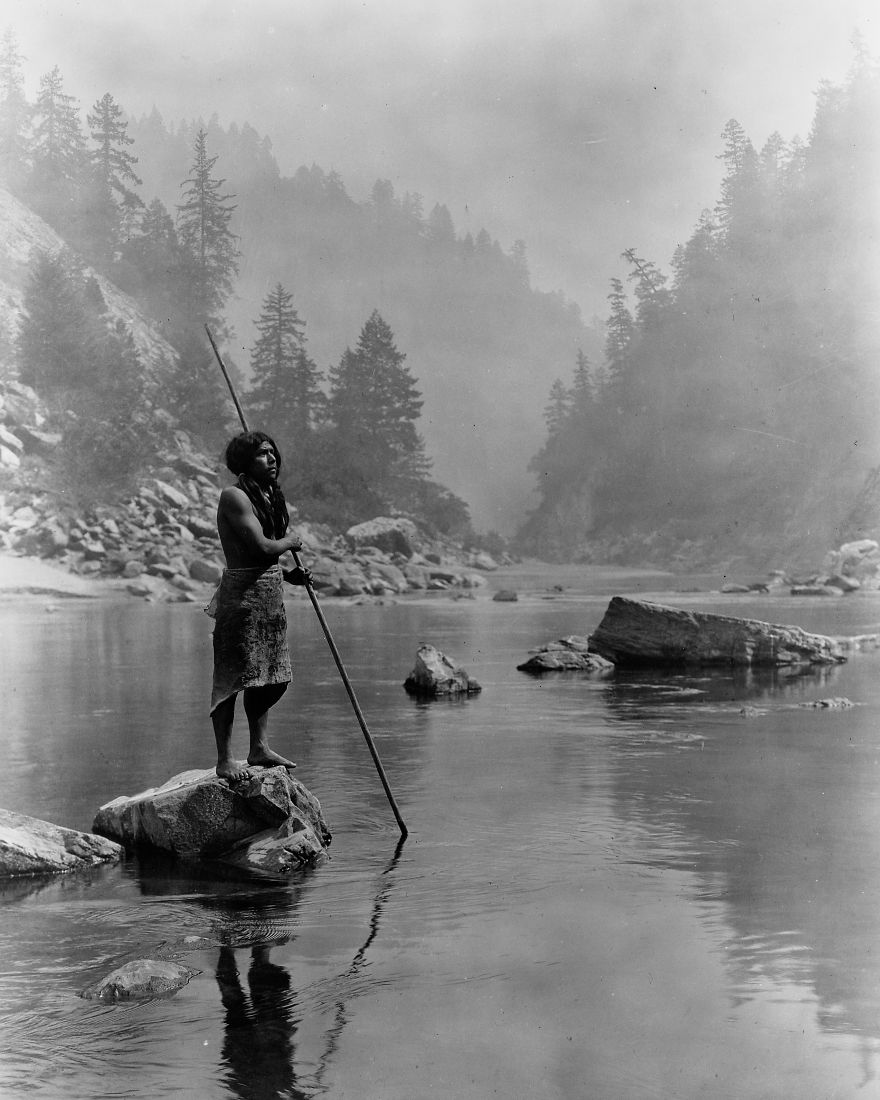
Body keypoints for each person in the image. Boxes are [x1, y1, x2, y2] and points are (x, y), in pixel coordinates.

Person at [206, 430, 309, 781]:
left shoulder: (269, 496)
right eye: (262, 454)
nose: (272, 459)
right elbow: (262, 548)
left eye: (273, 453)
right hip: (241, 597)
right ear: (244, 463)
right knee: (233, 678)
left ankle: (258, 748)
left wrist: (291, 577)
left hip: (269, 595)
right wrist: (289, 541)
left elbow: (269, 559)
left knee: (271, 678)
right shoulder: (234, 496)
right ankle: (224, 760)